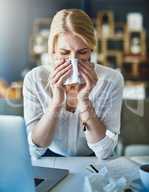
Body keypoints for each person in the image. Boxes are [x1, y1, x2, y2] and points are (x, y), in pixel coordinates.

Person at [23, 9, 124, 160]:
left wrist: (84, 103)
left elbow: (104, 152)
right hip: (51, 158)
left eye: (82, 52)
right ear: (53, 51)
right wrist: (56, 103)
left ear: (91, 49)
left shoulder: (111, 80)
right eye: (64, 53)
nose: (73, 61)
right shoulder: (35, 80)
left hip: (93, 161)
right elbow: (35, 150)